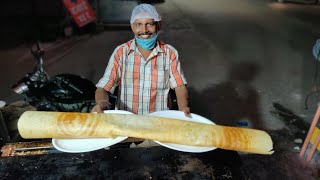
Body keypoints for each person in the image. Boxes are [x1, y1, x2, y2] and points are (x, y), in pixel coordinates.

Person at [91, 4, 190, 116]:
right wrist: (101, 104)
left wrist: (183, 108)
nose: (144, 30)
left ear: (158, 25)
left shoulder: (170, 53)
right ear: (132, 26)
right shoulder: (121, 52)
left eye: (149, 24)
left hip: (159, 121)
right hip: (127, 122)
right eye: (139, 24)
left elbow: (180, 86)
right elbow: (103, 87)